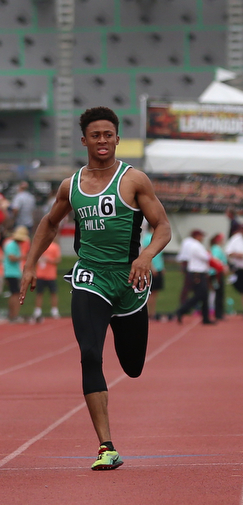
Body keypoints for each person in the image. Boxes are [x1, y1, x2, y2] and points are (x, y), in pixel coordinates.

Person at [19, 106, 172, 470]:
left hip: (129, 282)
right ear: (84, 140)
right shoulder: (70, 185)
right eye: (95, 135)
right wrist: (30, 264)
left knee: (133, 366)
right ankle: (106, 446)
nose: (102, 140)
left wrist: (146, 256)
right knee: (90, 354)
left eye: (108, 134)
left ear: (117, 139)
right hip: (90, 278)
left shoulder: (134, 180)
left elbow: (163, 226)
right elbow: (49, 222)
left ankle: (123, 327)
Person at [173, 229, 220, 325]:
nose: (202, 238)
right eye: (201, 236)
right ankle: (182, 310)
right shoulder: (196, 246)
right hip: (197, 273)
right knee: (200, 295)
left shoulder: (195, 245)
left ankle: (205, 318)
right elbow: (206, 257)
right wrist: (209, 254)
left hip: (199, 272)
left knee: (204, 296)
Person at [3, 226, 29, 323]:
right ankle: (14, 315)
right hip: (11, 273)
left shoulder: (15, 245)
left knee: (14, 293)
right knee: (15, 294)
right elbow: (11, 258)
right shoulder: (11, 245)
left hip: (13, 273)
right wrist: (23, 257)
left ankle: (12, 315)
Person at [32, 238, 61, 322]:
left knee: (53, 293)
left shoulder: (55, 247)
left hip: (51, 275)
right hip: (40, 274)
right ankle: (37, 310)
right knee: (39, 293)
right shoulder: (39, 246)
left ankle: (54, 310)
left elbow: (58, 260)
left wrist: (49, 260)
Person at [141, 222, 165, 321]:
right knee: (149, 293)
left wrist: (162, 267)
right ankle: (148, 313)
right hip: (152, 269)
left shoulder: (157, 237)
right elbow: (145, 253)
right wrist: (152, 267)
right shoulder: (148, 238)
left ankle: (152, 312)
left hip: (158, 268)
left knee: (155, 293)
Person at [209, 233, 229, 321]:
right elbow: (215, 259)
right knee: (219, 292)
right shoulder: (216, 248)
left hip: (217, 272)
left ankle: (219, 312)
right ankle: (218, 313)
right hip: (216, 273)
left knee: (219, 292)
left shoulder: (216, 248)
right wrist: (223, 267)